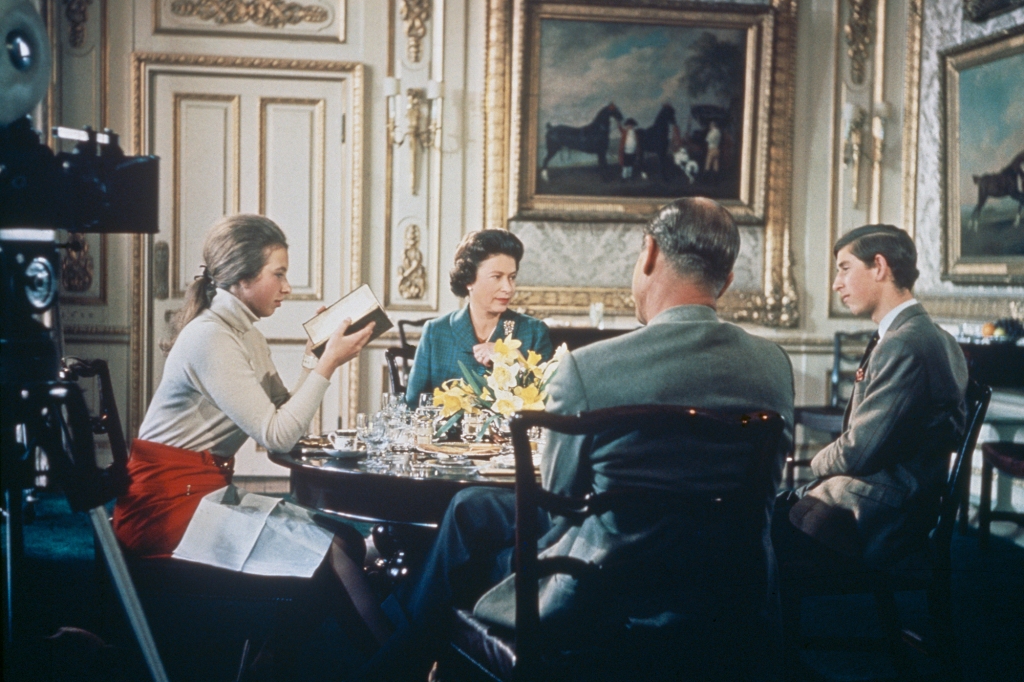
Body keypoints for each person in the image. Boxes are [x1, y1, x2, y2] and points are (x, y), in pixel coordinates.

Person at [363, 197, 795, 680]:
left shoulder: (587, 369)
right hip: (731, 587)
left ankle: (404, 663)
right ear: (728, 281)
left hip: (605, 588)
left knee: (469, 532)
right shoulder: (774, 365)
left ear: (648, 254)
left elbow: (559, 505)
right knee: (472, 510)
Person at [112, 214, 392, 657]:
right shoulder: (210, 338)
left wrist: (313, 359)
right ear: (242, 279)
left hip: (199, 496)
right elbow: (277, 436)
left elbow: (282, 417)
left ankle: (264, 668)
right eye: (278, 274)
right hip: (165, 513)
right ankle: (401, 669)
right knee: (330, 558)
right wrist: (327, 366)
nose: (287, 287)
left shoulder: (243, 334)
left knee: (348, 540)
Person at [773, 224, 968, 573]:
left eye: (844, 268)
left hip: (885, 517)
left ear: (879, 267)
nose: (836, 284)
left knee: (744, 536)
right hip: (894, 501)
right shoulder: (930, 334)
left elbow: (858, 451)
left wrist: (811, 464)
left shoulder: (905, 342)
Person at [404, 229, 553, 407]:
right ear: (469, 280)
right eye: (497, 277)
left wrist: (512, 357)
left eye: (512, 278)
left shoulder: (533, 331)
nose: (508, 288)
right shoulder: (436, 332)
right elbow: (412, 406)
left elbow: (547, 404)